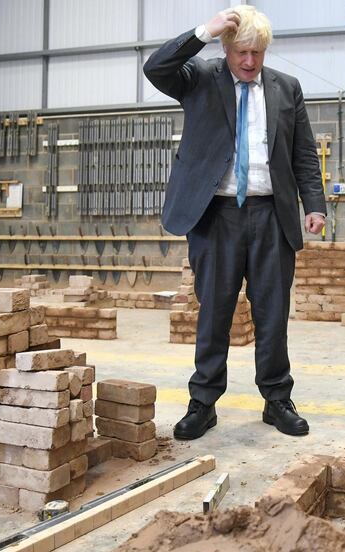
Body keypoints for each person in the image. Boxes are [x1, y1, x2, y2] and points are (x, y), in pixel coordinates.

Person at [143, 7, 326, 441]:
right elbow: (156, 67)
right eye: (242, 52)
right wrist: (204, 32)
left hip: (271, 214)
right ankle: (202, 403)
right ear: (226, 48)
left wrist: (314, 204)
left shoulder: (287, 88)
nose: (249, 61)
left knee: (273, 313)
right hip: (215, 216)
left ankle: (277, 399)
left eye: (257, 53)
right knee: (214, 313)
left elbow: (303, 152)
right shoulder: (201, 78)